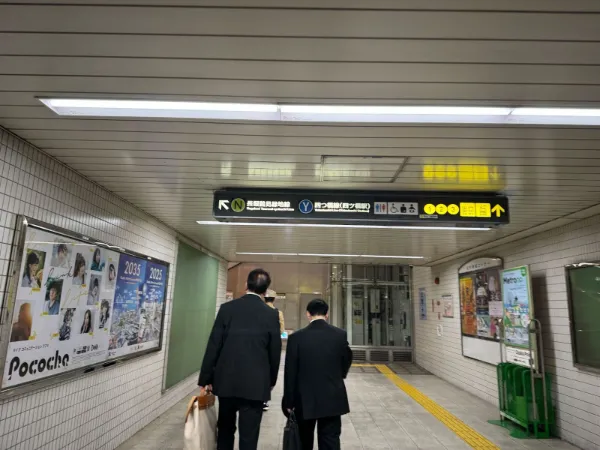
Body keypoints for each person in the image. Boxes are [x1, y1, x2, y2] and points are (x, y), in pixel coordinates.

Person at [198, 269, 281, 450]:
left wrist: (206, 378)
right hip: (255, 385)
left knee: (225, 430)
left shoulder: (227, 309)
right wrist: (271, 381)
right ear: (266, 290)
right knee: (249, 435)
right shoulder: (271, 314)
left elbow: (214, 344)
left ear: (246, 285)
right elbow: (274, 352)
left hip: (226, 381)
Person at [282, 299, 352, 450]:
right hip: (332, 396)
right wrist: (338, 375)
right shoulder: (340, 335)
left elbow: (290, 372)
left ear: (308, 314)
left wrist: (288, 401)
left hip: (304, 398)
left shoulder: (296, 338)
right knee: (330, 440)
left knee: (304, 440)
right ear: (327, 314)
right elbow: (346, 360)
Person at [263, 289, 285, 411]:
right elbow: (281, 330)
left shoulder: (259, 311)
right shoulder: (278, 313)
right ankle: (265, 399)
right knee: (271, 368)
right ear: (274, 299)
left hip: (260, 344)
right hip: (273, 344)